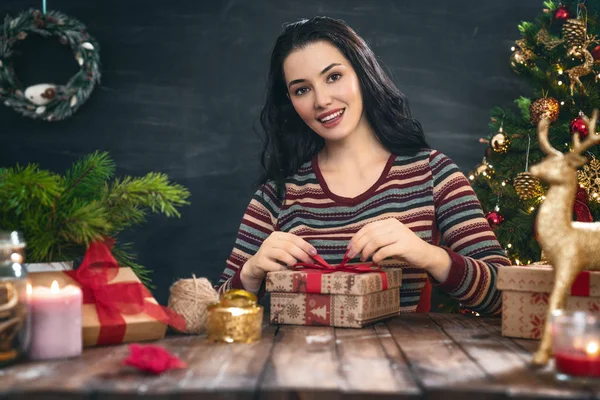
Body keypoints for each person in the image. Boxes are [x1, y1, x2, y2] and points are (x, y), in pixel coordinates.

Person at [215, 16, 510, 315]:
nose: (322, 100)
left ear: (362, 73)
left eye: (333, 77)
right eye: (302, 89)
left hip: (403, 360)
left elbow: (505, 296)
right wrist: (250, 274)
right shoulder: (276, 195)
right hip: (301, 360)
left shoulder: (433, 173)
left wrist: (429, 256)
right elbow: (209, 314)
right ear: (289, 101)